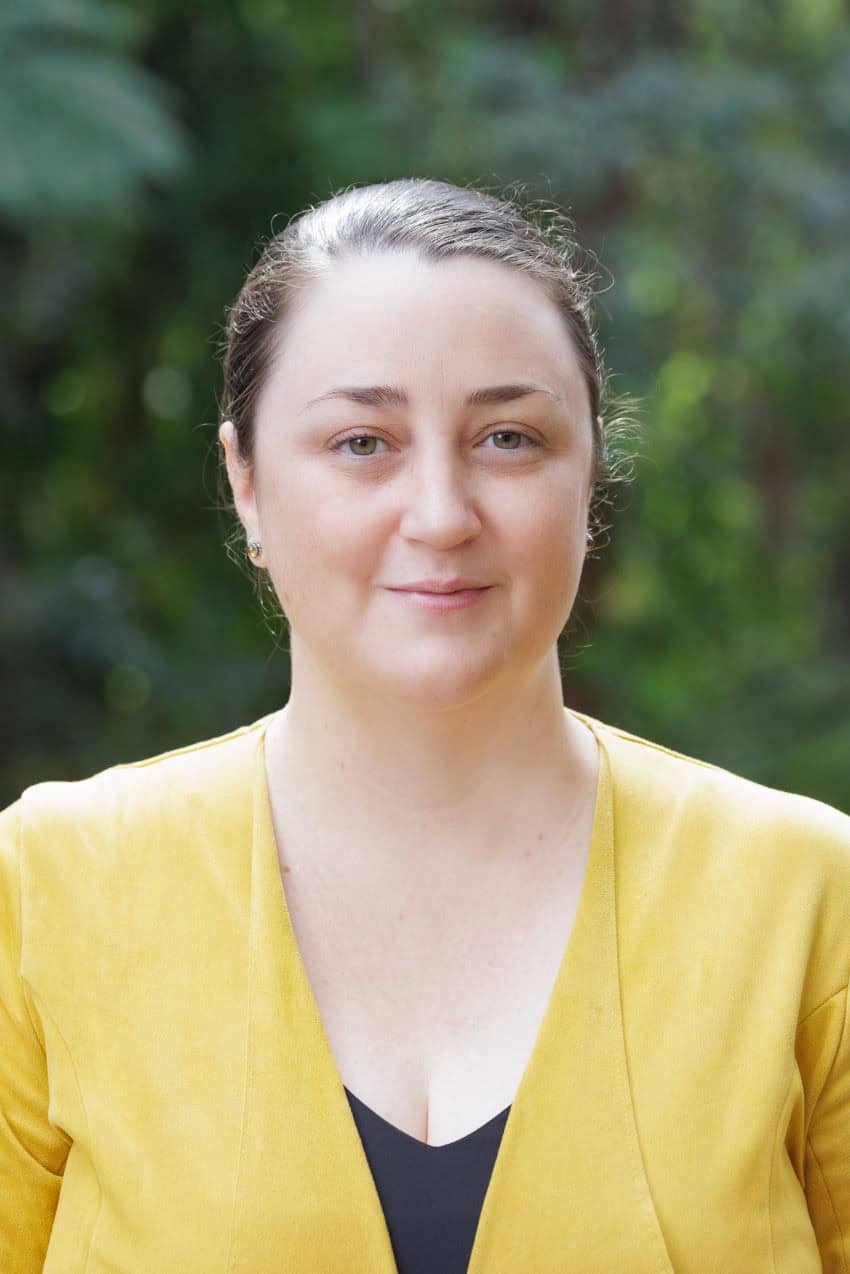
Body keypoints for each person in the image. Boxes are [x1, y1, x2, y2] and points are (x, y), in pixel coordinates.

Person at [1, 178, 848, 1274]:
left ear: (590, 468)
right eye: (363, 442)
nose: (442, 515)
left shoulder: (809, 897)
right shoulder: (48, 889)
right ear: (245, 480)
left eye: (508, 437)